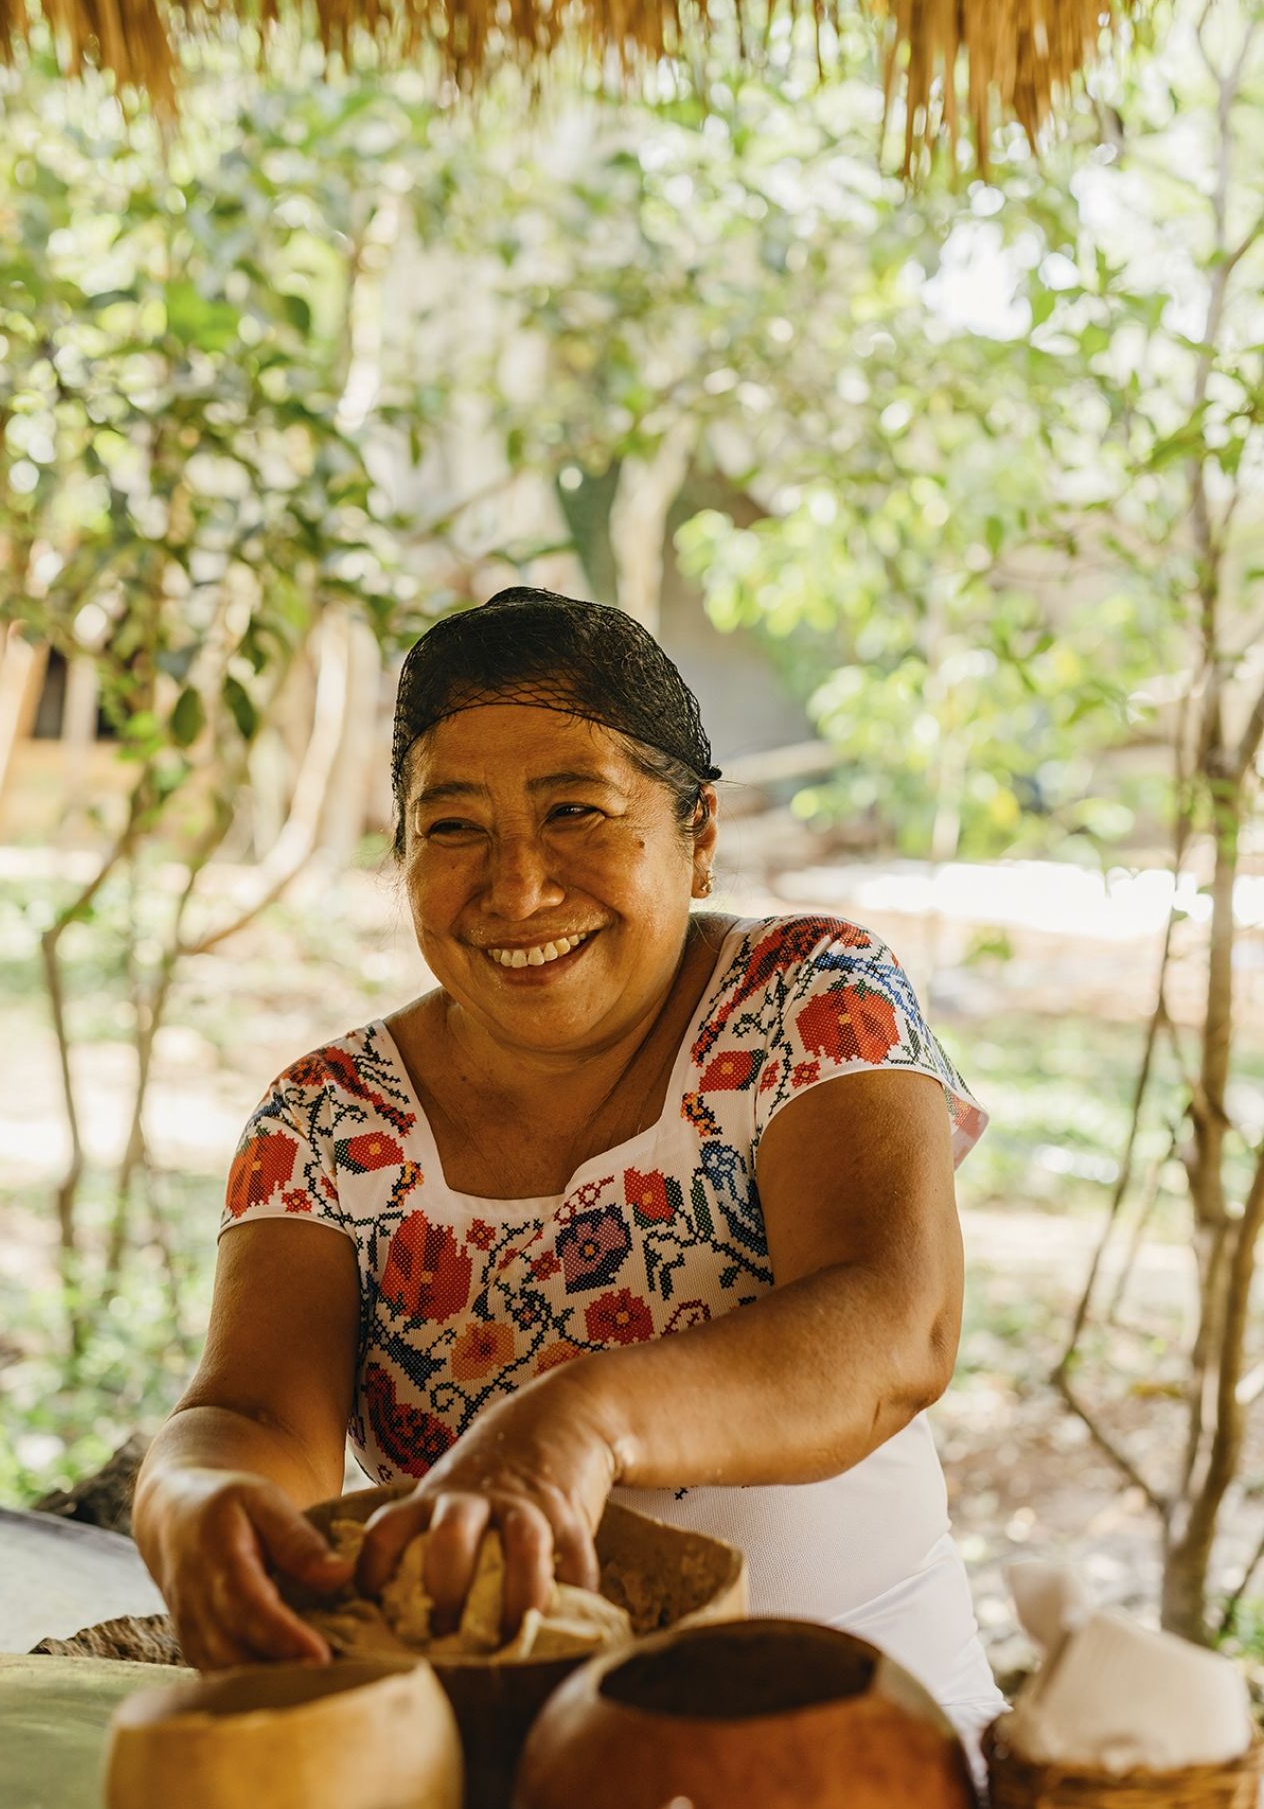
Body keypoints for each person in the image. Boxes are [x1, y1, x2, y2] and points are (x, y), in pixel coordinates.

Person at [132, 587, 1005, 1737]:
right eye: (453, 827)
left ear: (697, 835)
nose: (517, 887)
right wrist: (198, 1498)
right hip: (481, 1770)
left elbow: (893, 1324)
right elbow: (250, 1409)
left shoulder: (807, 998)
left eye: (575, 811)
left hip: (870, 1749)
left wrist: (577, 1422)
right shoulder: (328, 1121)